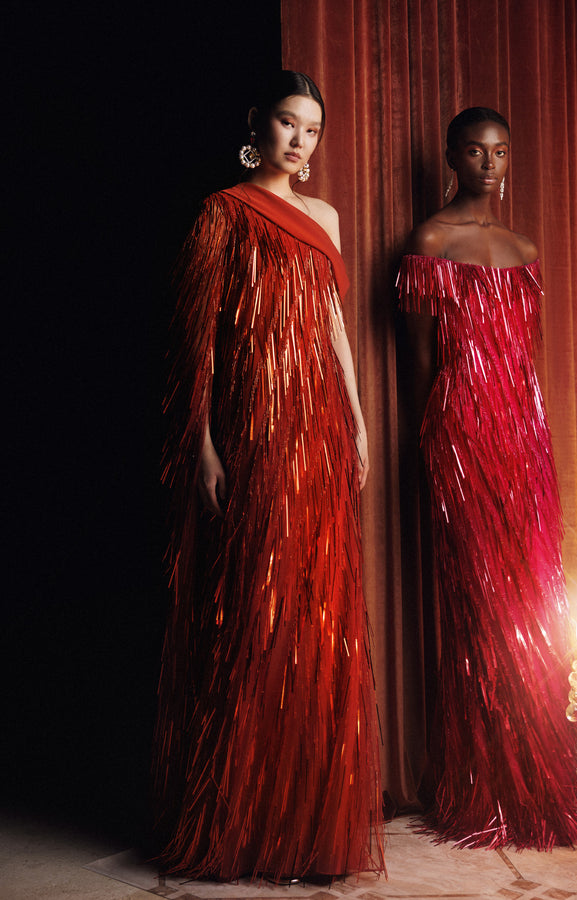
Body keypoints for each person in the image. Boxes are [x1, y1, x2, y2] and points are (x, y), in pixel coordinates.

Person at [153, 71, 385, 883]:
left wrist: (355, 417)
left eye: (313, 130)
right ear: (260, 125)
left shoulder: (322, 218)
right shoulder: (222, 211)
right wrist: (205, 443)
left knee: (320, 612)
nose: (300, 142)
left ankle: (311, 826)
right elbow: (199, 342)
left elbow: (331, 323)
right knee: (257, 607)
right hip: (254, 430)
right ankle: (244, 821)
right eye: (288, 125)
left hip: (319, 426)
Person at [396, 107, 577, 850]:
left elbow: (528, 357)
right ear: (451, 157)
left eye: (501, 151)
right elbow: (418, 362)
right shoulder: (430, 242)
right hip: (458, 433)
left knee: (535, 602)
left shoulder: (526, 248)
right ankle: (481, 784)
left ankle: (534, 781)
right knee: (479, 605)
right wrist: (432, 439)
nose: (488, 163)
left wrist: (525, 432)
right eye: (475, 151)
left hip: (525, 437)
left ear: (510, 160)